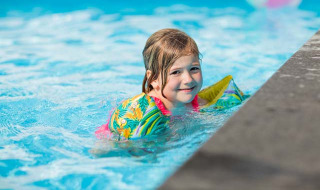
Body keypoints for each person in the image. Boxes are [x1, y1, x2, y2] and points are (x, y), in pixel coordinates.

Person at [95, 28, 248, 141]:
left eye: (194, 69)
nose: (188, 79)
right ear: (153, 78)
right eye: (176, 72)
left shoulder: (198, 103)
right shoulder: (142, 115)